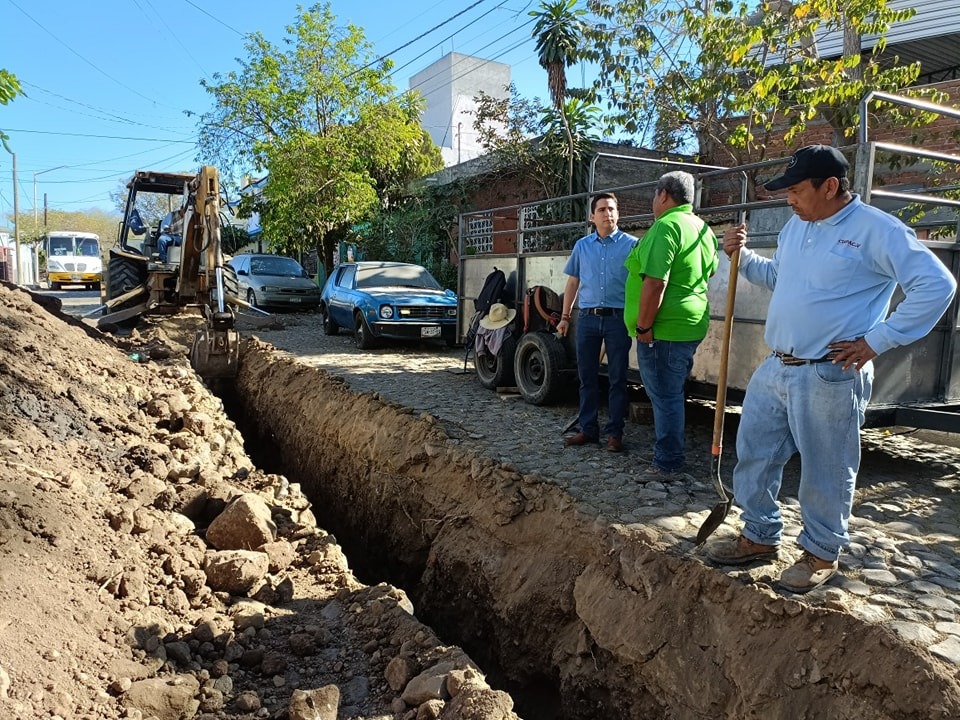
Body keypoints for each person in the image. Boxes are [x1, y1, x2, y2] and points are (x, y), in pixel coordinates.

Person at [705, 144, 956, 593]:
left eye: (797, 190)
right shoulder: (796, 228)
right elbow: (779, 278)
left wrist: (877, 340)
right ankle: (759, 536)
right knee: (755, 453)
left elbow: (937, 285)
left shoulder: (876, 230)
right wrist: (741, 258)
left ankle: (820, 553)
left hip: (830, 373)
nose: (790, 199)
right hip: (777, 365)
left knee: (826, 468)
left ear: (831, 186)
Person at [624, 171, 718, 477]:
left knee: (665, 395)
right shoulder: (703, 229)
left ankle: (668, 462)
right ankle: (669, 455)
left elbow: (655, 284)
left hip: (662, 329)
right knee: (671, 392)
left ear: (664, 194)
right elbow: (708, 273)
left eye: (654, 194)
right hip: (689, 324)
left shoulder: (666, 227)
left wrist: (643, 328)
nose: (654, 201)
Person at [557, 192, 637, 452]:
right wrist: (565, 317)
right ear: (592, 216)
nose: (608, 213)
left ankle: (615, 434)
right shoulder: (582, 246)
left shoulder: (632, 245)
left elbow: (643, 283)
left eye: (612, 209)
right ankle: (588, 429)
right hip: (588, 321)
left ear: (618, 213)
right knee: (587, 378)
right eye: (601, 209)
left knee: (617, 379)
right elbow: (572, 282)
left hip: (618, 320)